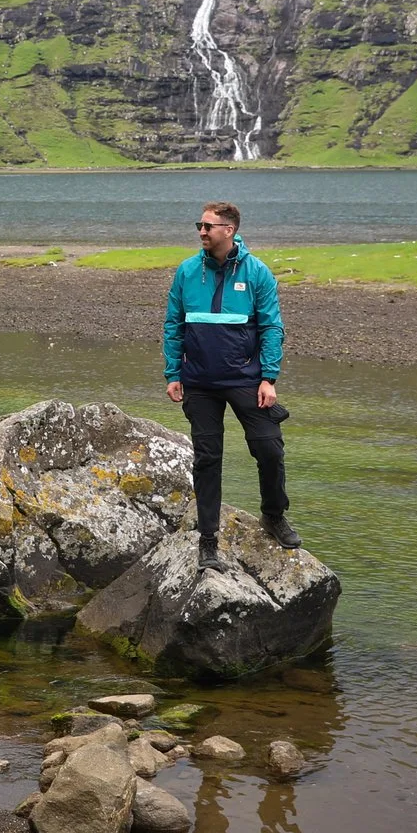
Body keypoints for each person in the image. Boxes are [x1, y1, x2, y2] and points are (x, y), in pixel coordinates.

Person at [163, 200, 298, 570]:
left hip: (246, 379)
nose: (201, 232)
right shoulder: (187, 272)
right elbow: (174, 324)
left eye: (208, 226)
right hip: (199, 383)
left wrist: (269, 378)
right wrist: (173, 373)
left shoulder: (258, 273)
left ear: (229, 230)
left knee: (269, 449)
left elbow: (272, 328)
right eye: (199, 226)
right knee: (208, 460)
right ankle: (208, 542)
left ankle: (273, 515)